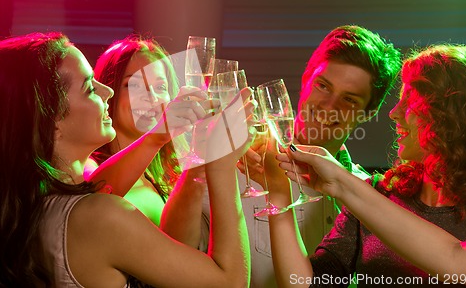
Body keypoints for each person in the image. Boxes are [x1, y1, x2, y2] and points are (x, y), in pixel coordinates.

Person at [0, 32, 253, 287]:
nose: (107, 90)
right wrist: (222, 165)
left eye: (161, 86)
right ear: (51, 119)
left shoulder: (36, 204)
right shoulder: (101, 215)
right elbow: (231, 282)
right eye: (90, 87)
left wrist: (181, 150)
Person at [269, 44, 466, 287]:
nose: (393, 113)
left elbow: (455, 258)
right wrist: (277, 190)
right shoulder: (379, 194)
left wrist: (340, 181)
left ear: (452, 117)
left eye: (410, 101)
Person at [234, 25, 402, 287]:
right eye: (323, 86)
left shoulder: (371, 199)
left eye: (349, 99)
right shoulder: (244, 166)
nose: (329, 106)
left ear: (368, 113)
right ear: (306, 79)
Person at [85, 36, 210, 247]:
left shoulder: (169, 173)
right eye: (133, 85)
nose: (151, 96)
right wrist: (157, 137)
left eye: (160, 87)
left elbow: (184, 251)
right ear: (107, 92)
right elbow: (89, 203)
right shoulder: (89, 165)